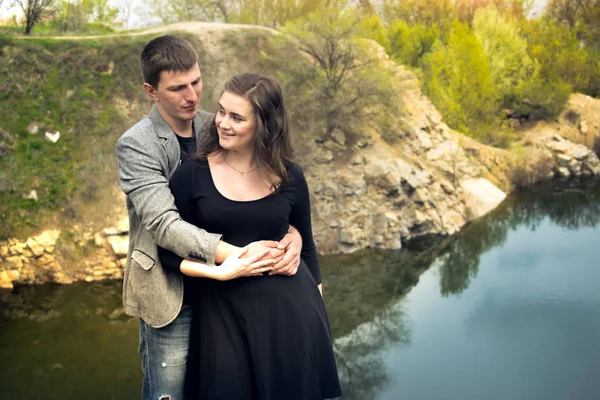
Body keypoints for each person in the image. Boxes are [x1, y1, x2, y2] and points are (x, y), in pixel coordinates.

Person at [116, 35, 303, 400]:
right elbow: (164, 225)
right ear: (151, 91)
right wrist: (239, 255)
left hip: (227, 291)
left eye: (196, 82)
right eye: (177, 88)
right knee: (169, 394)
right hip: (172, 286)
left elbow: (262, 189)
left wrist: (292, 231)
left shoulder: (217, 125)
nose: (192, 95)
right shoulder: (136, 144)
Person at [158, 72, 342, 399]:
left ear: (265, 125)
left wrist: (318, 325)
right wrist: (217, 271)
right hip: (222, 317)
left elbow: (308, 248)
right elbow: (167, 253)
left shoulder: (290, 175)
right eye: (221, 111)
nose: (222, 123)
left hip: (292, 318)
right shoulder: (192, 174)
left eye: (237, 117)